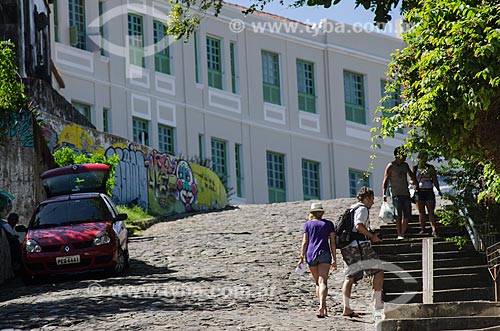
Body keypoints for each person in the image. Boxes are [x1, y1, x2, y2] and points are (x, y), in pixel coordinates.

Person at [340, 186, 384, 317]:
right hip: (359, 245)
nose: (373, 202)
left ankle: (346, 308)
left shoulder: (352, 208)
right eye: (371, 199)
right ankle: (377, 303)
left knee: (350, 276)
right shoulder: (363, 209)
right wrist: (372, 236)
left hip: (348, 246)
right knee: (378, 271)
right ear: (366, 198)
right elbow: (359, 225)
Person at [297, 202, 336, 318]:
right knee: (323, 281)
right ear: (322, 213)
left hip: (310, 254)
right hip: (324, 253)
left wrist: (301, 258)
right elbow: (332, 242)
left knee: (317, 283)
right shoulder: (328, 224)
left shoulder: (307, 225)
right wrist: (335, 258)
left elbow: (305, 242)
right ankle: (322, 306)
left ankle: (322, 308)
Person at [382, 147, 418, 240]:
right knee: (398, 215)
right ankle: (399, 233)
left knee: (407, 215)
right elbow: (385, 180)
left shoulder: (405, 165)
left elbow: (411, 175)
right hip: (396, 193)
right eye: (404, 154)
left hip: (406, 193)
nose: (405, 156)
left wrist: (415, 184)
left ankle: (402, 232)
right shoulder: (391, 166)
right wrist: (384, 194)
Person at [413, 152, 442, 236]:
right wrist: (415, 185)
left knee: (430, 211)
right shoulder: (415, 168)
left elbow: (434, 179)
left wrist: (438, 189)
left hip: (429, 190)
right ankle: (423, 229)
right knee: (421, 212)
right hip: (419, 191)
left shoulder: (430, 167)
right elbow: (412, 179)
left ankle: (434, 229)